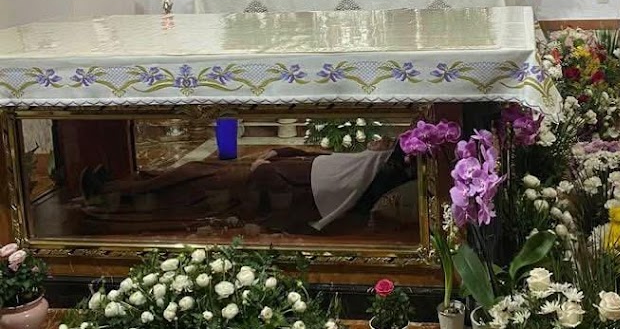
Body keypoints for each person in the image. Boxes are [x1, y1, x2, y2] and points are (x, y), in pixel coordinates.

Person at [77, 136, 411, 233]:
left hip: (252, 184)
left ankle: (111, 195)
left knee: (188, 184)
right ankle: (119, 186)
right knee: (191, 170)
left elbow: (294, 203)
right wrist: (276, 153)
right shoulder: (360, 164)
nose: (379, 140)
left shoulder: (360, 178)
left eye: (386, 143)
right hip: (265, 171)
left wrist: (263, 170)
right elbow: (315, 157)